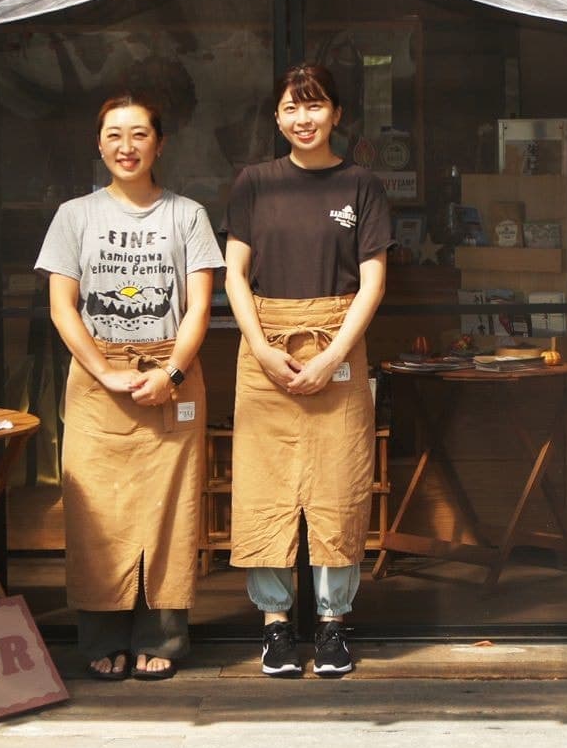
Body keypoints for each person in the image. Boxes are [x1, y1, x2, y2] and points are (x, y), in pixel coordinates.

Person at [35, 92, 224, 681]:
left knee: (170, 511)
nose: (126, 146)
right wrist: (106, 371)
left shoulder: (187, 215)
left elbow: (199, 308)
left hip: (173, 372)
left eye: (139, 134)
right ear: (99, 143)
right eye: (114, 134)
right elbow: (63, 308)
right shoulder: (74, 215)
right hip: (97, 380)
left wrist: (170, 375)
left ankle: (162, 639)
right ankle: (102, 635)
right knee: (98, 513)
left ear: (159, 144)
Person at [224, 63, 392, 678]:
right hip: (262, 349)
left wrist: (333, 355)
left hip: (339, 345)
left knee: (338, 486)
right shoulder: (254, 183)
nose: (304, 119)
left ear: (337, 114)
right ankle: (274, 625)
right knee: (264, 485)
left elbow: (372, 280)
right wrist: (263, 348)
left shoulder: (361, 184)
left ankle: (331, 624)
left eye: (315, 106)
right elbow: (234, 275)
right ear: (276, 117)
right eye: (292, 108)